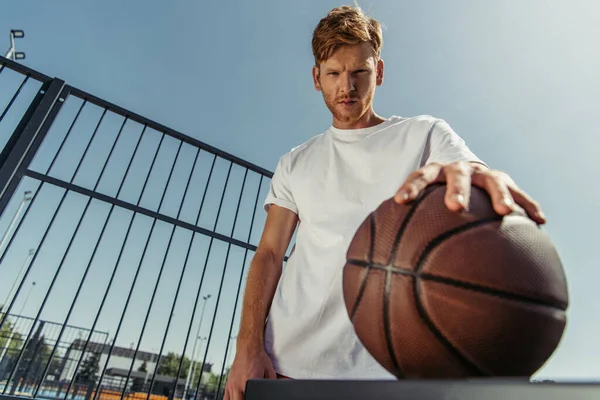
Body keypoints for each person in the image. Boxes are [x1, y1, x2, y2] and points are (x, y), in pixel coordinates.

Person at [224, 4, 546, 399]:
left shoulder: (424, 135)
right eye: (334, 73)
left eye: (360, 71)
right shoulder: (295, 162)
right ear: (316, 78)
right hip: (289, 365)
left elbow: (470, 169)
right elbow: (270, 254)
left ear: (378, 71)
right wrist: (247, 349)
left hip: (388, 373)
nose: (347, 86)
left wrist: (481, 176)